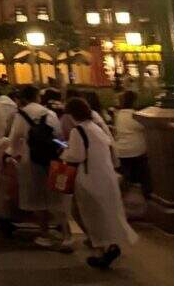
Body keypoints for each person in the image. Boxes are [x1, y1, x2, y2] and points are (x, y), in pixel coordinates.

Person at [60, 97, 137, 269]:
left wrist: (64, 152)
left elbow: (76, 156)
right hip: (105, 176)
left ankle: (102, 251)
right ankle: (107, 246)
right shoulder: (95, 127)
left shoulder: (77, 131)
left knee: (90, 215)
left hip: (88, 179)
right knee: (105, 214)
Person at [8, 85, 68, 250]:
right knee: (55, 197)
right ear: (38, 97)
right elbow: (59, 138)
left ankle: (44, 233)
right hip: (51, 159)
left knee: (37, 198)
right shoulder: (50, 114)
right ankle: (65, 234)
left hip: (31, 160)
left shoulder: (21, 115)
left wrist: (10, 155)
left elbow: (14, 140)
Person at [112, 90, 149, 192]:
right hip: (136, 151)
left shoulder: (119, 115)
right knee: (143, 174)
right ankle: (145, 193)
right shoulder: (135, 116)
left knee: (127, 175)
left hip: (121, 151)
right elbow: (145, 127)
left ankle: (128, 190)